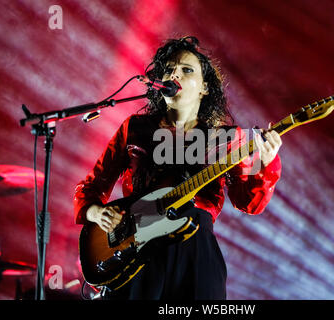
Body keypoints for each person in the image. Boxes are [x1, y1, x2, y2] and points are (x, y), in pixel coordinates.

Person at [74, 36, 282, 300]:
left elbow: (248, 203)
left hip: (194, 252)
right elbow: (92, 186)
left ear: (205, 87)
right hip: (135, 250)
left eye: (186, 69)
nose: (175, 75)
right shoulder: (135, 128)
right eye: (169, 69)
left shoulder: (227, 139)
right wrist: (96, 213)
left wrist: (267, 162)